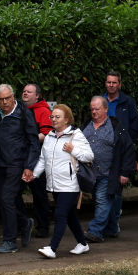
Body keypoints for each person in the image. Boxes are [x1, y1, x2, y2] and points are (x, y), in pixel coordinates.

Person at [0, 83, 40, 254]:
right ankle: (24, 222)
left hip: (16, 163)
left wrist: (29, 166)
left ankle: (10, 240)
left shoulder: (24, 114)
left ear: (13, 96)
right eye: (1, 99)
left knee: (7, 198)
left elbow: (34, 142)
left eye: (7, 98)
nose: (4, 102)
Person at [31, 104, 93, 258]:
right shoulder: (49, 137)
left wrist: (73, 150)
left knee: (60, 214)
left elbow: (89, 156)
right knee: (69, 215)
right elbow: (43, 159)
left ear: (66, 120)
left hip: (70, 184)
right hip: (55, 184)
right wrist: (34, 174)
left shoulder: (76, 135)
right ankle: (83, 244)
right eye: (52, 116)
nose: (53, 119)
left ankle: (52, 248)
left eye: (57, 117)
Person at [81, 96, 131, 242]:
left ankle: (95, 231)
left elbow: (127, 149)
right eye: (92, 109)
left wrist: (125, 172)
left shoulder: (115, 127)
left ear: (106, 109)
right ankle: (112, 228)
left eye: (97, 109)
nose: (94, 112)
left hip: (108, 173)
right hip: (90, 174)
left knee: (102, 200)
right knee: (109, 201)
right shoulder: (86, 126)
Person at [20, 83, 55, 237]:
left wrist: (28, 141)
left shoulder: (43, 111)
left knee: (39, 194)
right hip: (21, 157)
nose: (25, 93)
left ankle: (43, 226)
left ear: (37, 96)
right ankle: (23, 224)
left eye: (29, 92)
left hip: (37, 158)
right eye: (24, 91)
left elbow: (47, 134)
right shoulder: (19, 110)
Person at [103, 71, 138, 153]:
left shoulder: (128, 102)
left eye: (114, 83)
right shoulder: (100, 101)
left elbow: (135, 125)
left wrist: (127, 143)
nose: (111, 85)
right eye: (109, 82)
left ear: (119, 85)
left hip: (122, 148)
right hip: (103, 147)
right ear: (106, 84)